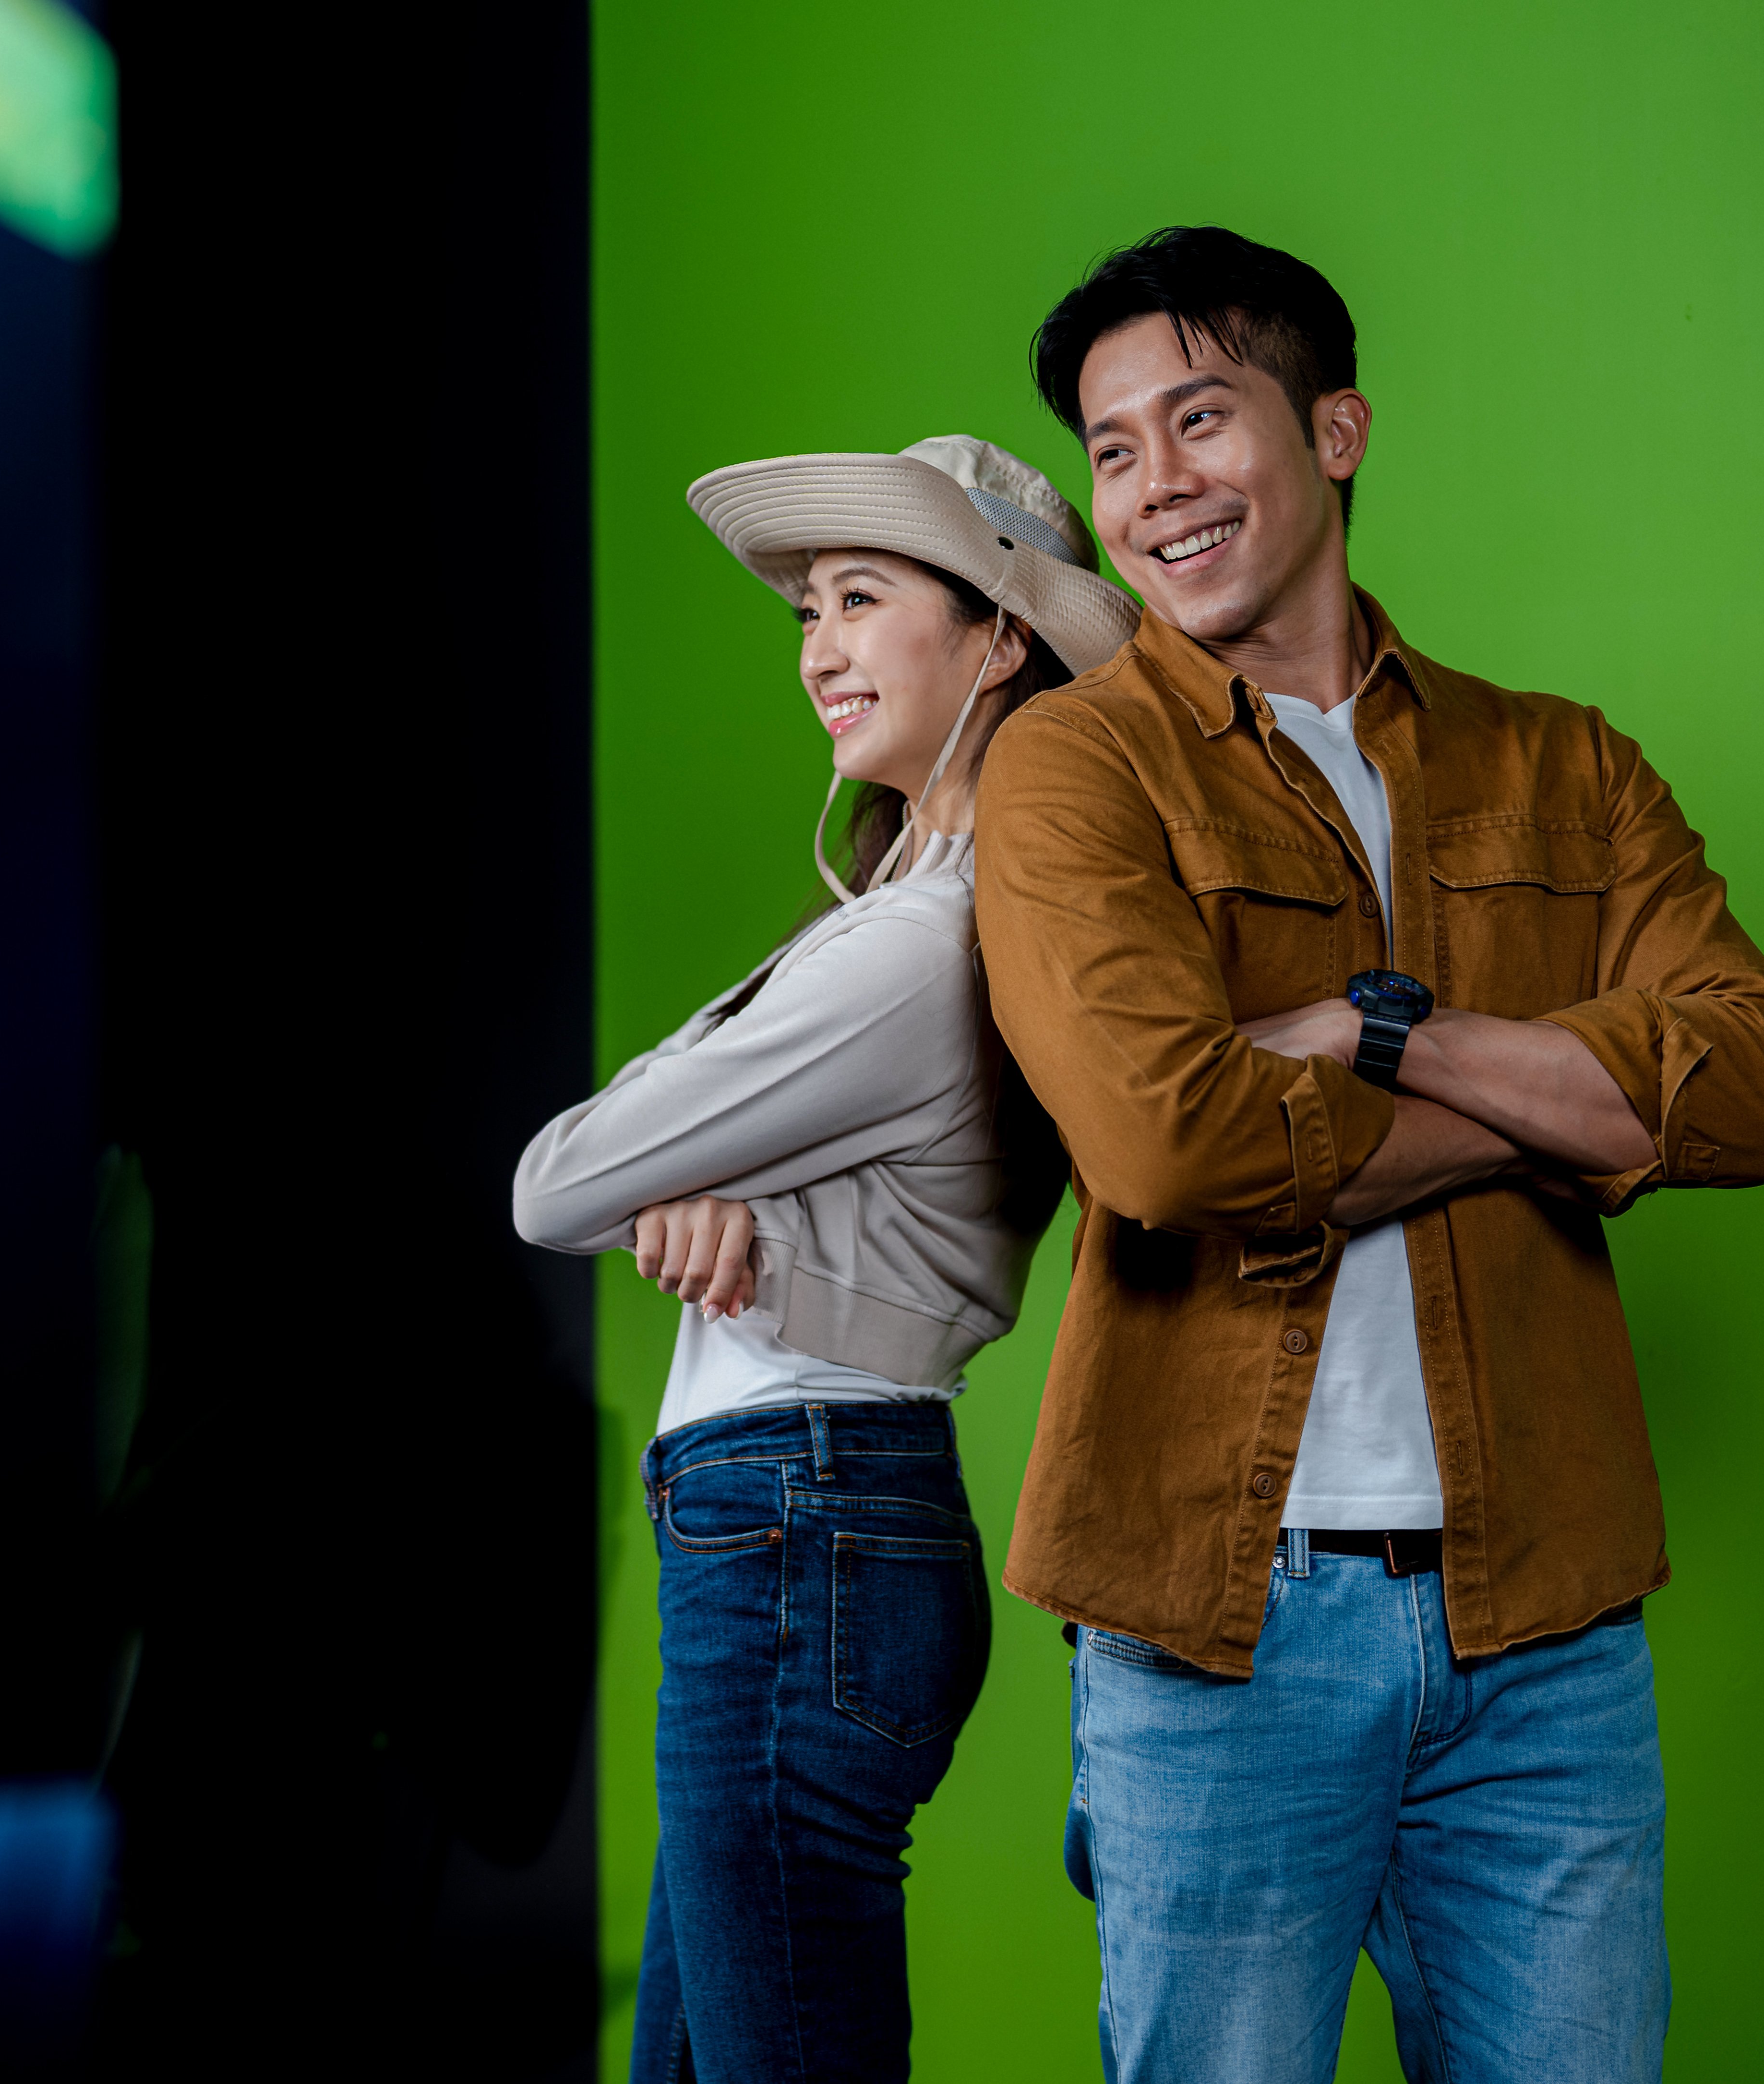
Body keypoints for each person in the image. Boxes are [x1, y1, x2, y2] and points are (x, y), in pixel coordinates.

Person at [972, 227, 1764, 2084]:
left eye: (1200, 417)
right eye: (1112, 449)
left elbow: (1749, 1087)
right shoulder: (1077, 769)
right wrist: (1555, 1109)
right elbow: (1161, 1144)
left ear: (1333, 432)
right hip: (1220, 1626)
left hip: (1546, 1629)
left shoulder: (1565, 769)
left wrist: (1380, 1031)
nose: (1153, 485)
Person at [513, 435, 1138, 2084]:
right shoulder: (925, 911)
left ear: (1001, 638)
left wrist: (709, 1171)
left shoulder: (915, 945)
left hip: (799, 1529)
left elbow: (555, 1183)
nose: (817, 649)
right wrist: (743, 1198)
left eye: (862, 599)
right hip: (815, 1521)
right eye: (809, 611)